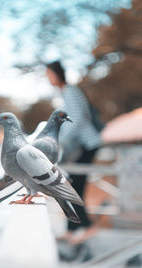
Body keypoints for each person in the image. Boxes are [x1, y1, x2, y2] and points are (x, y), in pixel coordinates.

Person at [46, 60, 103, 244]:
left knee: (74, 186)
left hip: (88, 144)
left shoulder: (69, 91)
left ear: (56, 74)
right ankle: (73, 230)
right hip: (84, 145)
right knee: (73, 185)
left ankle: (87, 227)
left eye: (48, 74)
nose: (47, 78)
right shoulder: (67, 92)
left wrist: (60, 140)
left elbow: (77, 119)